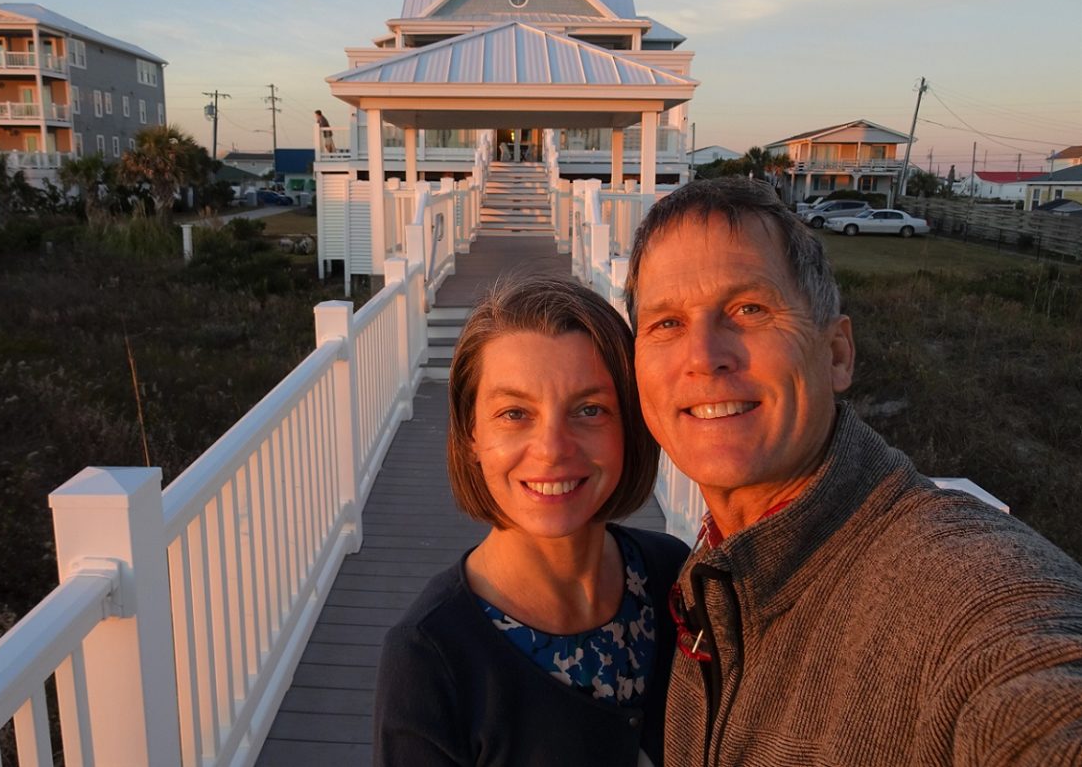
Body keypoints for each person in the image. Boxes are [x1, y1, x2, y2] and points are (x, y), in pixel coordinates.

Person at [623, 176, 1082, 765]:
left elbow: (1030, 661)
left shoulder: (950, 588)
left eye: (750, 309)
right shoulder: (708, 580)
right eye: (666, 323)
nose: (703, 354)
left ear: (836, 354)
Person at [374, 277, 690, 766]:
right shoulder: (431, 656)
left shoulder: (675, 578)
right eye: (515, 413)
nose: (552, 448)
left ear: (629, 424)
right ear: (471, 434)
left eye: (590, 409)